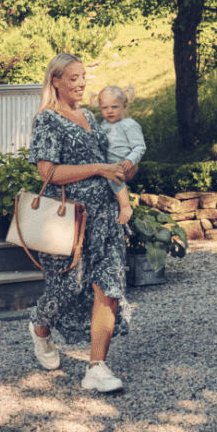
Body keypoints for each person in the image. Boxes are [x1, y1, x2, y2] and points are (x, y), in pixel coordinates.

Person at [25, 54, 131, 393]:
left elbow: (108, 161)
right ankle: (40, 326)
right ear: (55, 81)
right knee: (67, 290)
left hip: (105, 218)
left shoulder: (88, 116)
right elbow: (49, 173)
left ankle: (96, 368)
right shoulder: (47, 120)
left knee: (108, 288)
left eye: (83, 76)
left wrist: (122, 172)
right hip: (70, 220)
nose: (82, 83)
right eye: (73, 78)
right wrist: (99, 168)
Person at [96, 85, 146, 226]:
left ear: (124, 107)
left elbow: (139, 146)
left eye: (114, 107)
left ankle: (126, 207)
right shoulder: (103, 125)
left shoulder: (129, 124)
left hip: (121, 163)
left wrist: (131, 159)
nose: (109, 111)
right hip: (107, 163)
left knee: (115, 179)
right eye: (104, 108)